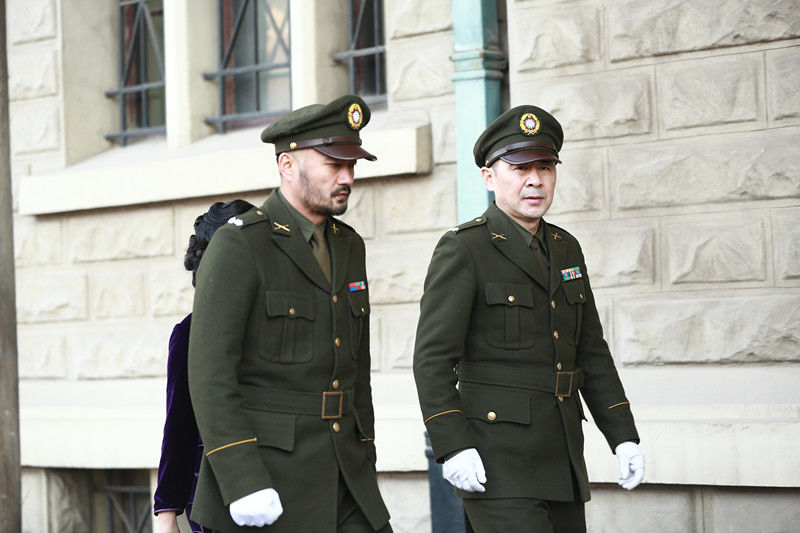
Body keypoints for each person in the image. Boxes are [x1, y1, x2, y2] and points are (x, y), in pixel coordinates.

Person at [412, 105, 645, 532]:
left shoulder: (565, 247)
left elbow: (590, 351)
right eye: (519, 168)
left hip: (562, 457)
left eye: (545, 167)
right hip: (496, 461)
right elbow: (432, 360)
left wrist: (623, 434)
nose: (535, 180)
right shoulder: (465, 249)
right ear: (488, 177)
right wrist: (452, 445)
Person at [187, 95, 391, 532]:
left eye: (352, 165)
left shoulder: (348, 245)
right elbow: (209, 374)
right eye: (333, 163)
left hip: (347, 475)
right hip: (271, 480)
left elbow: (357, 365)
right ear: (287, 164)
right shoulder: (241, 243)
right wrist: (242, 480)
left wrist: (366, 448)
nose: (347, 177)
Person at [154, 200, 255, 533]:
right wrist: (167, 511)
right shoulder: (189, 333)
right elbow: (179, 420)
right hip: (215, 497)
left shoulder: (282, 324)